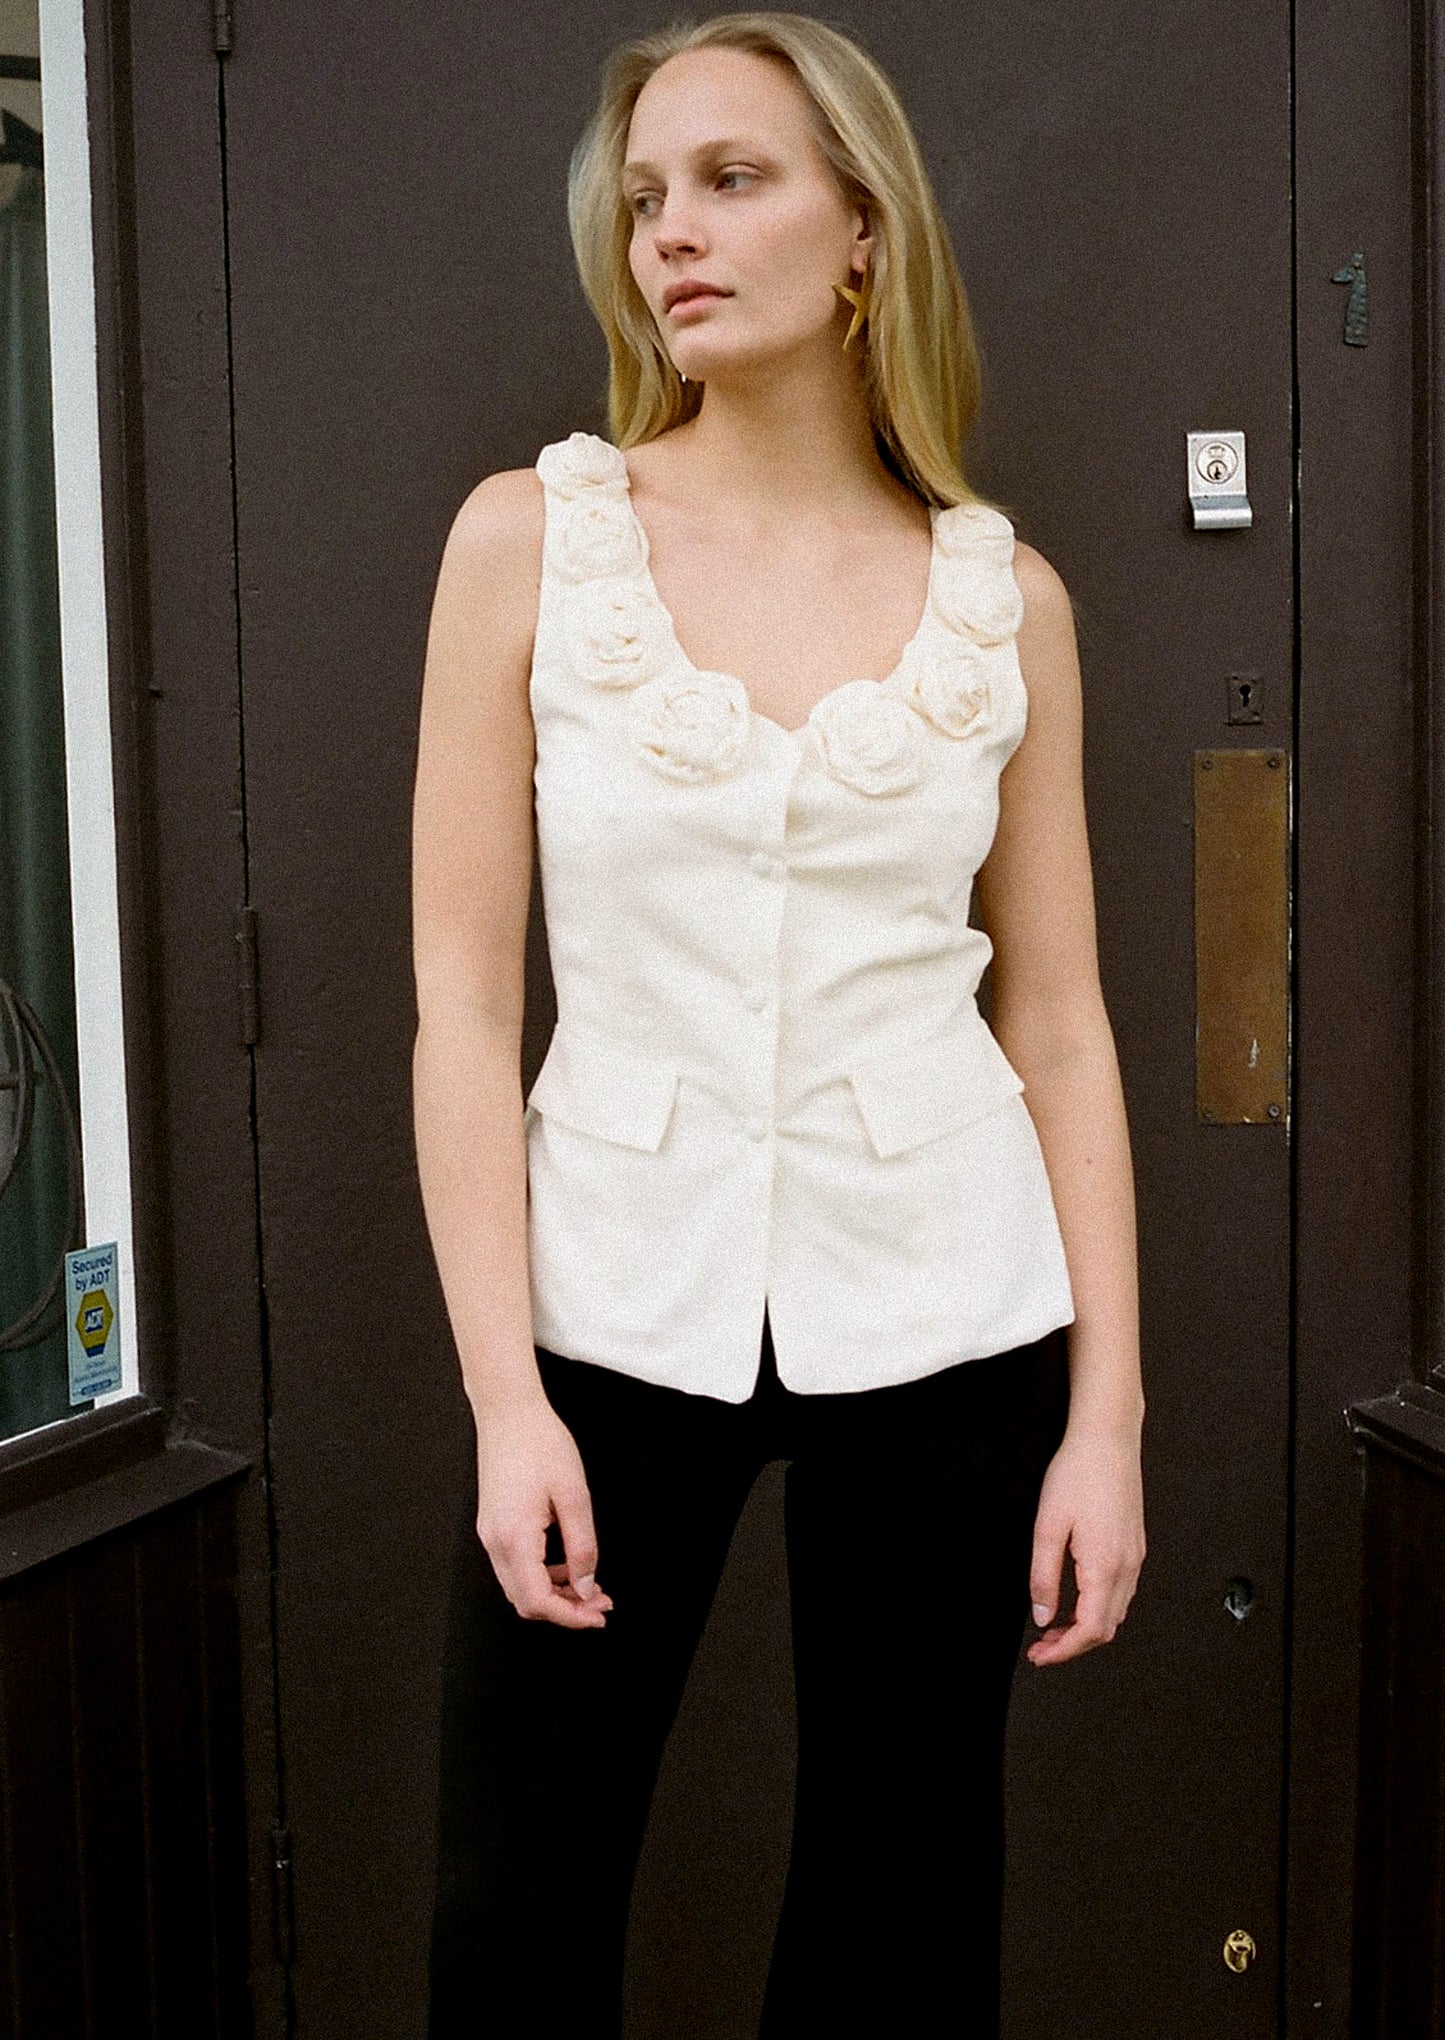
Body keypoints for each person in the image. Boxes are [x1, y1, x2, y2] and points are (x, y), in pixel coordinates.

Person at [412, 12, 1146, 2036]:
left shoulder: (1013, 604)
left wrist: (1107, 1425)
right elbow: (464, 1007)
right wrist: (503, 1405)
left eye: (732, 180)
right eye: (646, 195)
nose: (670, 233)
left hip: (949, 1309)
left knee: (903, 1919)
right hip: (606, 1312)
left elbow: (1065, 1027)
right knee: (518, 1907)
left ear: (862, 238)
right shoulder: (529, 544)